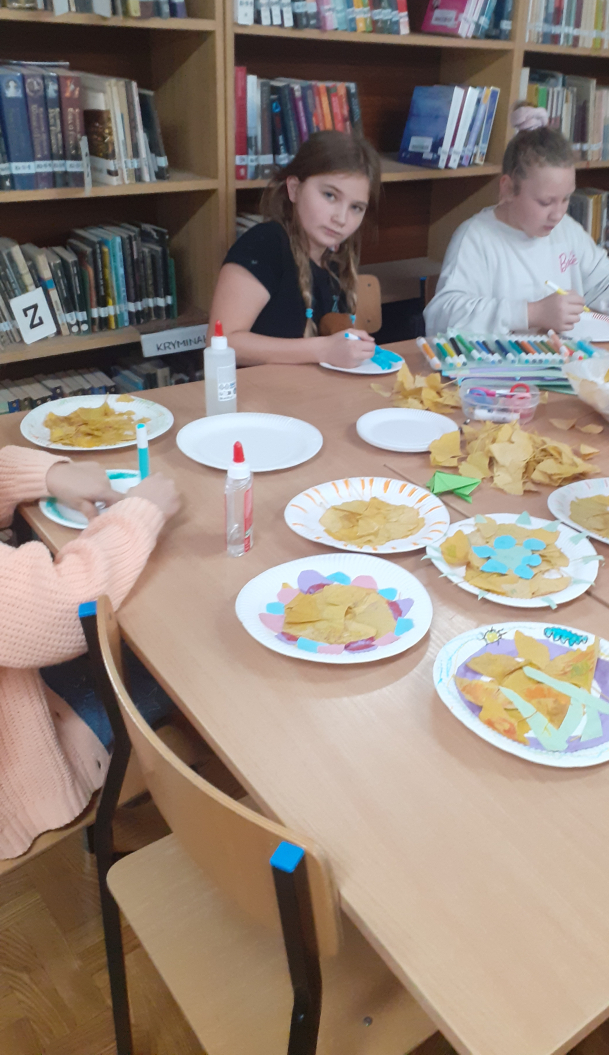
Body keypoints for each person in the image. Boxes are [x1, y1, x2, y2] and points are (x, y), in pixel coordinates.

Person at [0, 445, 181, 858]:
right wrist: (140, 514)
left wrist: (47, 475)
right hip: (22, 751)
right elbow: (59, 611)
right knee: (185, 661)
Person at [424, 104, 609, 337]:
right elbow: (443, 317)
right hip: (500, 362)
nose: (558, 214)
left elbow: (608, 279)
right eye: (545, 202)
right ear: (508, 189)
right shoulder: (476, 238)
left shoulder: (566, 230)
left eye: (566, 199)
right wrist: (532, 313)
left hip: (563, 356)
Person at [208, 130, 381, 368]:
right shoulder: (265, 244)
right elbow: (222, 343)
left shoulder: (334, 258)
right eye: (330, 195)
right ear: (294, 189)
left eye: (356, 208)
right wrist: (324, 349)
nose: (341, 219)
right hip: (256, 390)